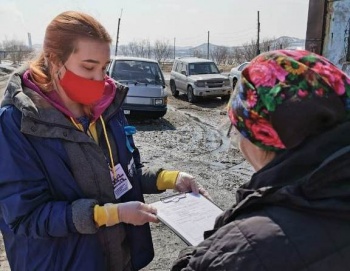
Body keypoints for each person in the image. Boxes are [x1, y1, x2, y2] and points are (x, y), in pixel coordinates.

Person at [0, 11, 207, 271]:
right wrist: (109, 214)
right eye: (88, 67)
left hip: (117, 259)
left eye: (104, 68)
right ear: (54, 60)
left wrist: (169, 178)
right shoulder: (17, 123)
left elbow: (121, 174)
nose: (100, 80)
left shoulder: (106, 108)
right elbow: (25, 216)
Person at [171, 49, 350, 271]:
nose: (238, 143)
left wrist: (204, 250)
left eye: (237, 129)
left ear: (262, 136)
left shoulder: (238, 253)